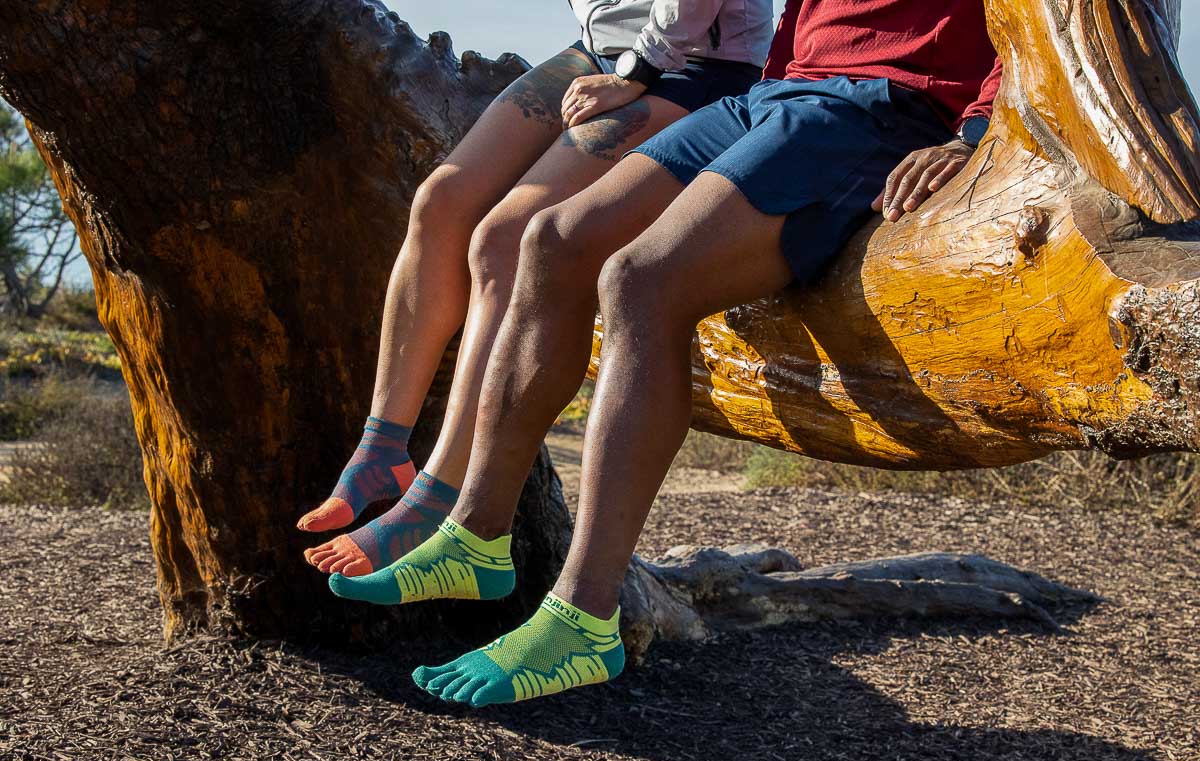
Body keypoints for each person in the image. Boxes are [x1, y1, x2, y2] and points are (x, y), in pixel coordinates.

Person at [330, 0, 1004, 708]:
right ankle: (475, 537)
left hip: (880, 112)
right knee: (550, 241)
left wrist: (974, 135)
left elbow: (1044, 30)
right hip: (776, 95)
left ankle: (583, 617)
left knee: (639, 278)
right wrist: (770, 84)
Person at [298, 0, 774, 577]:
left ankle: (437, 494)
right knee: (440, 203)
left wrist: (637, 72)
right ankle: (381, 448)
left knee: (502, 239)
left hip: (693, 65)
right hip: (597, 52)